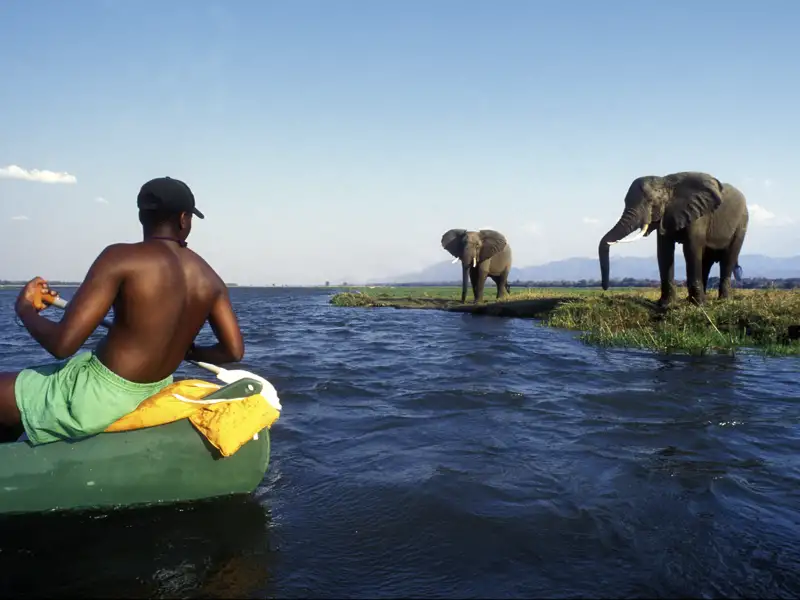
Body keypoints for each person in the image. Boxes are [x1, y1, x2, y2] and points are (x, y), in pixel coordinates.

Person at [0, 176, 245, 444]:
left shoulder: (119, 258)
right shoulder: (210, 279)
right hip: (153, 392)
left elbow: (63, 344)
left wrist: (25, 309)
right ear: (184, 219)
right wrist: (191, 351)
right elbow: (233, 351)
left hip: (97, 397)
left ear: (142, 216)